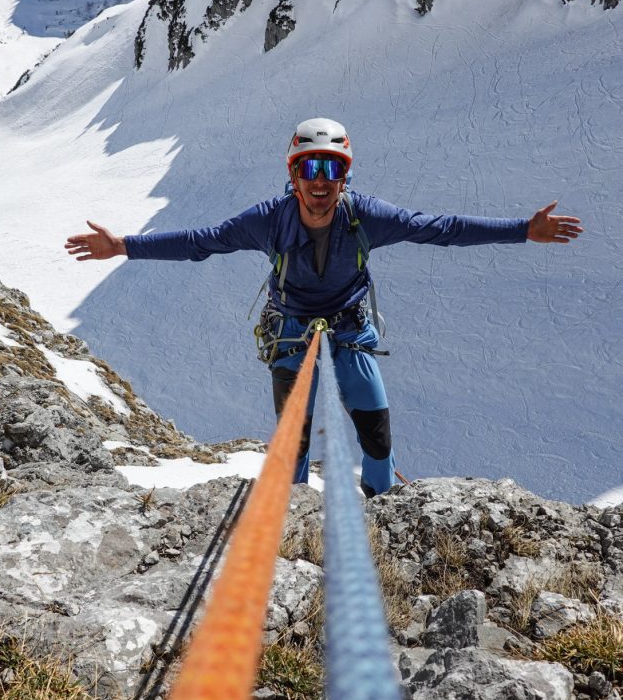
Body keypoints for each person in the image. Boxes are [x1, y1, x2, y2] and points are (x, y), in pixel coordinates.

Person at [65, 117, 583, 498]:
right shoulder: (270, 219)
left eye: (331, 168)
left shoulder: (365, 217)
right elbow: (204, 241)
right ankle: (293, 518)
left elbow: (440, 229)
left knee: (376, 438)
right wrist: (125, 246)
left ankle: (383, 512)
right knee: (293, 445)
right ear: (293, 174)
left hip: (347, 334)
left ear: (344, 176)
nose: (319, 179)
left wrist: (523, 231)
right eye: (309, 167)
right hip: (293, 336)